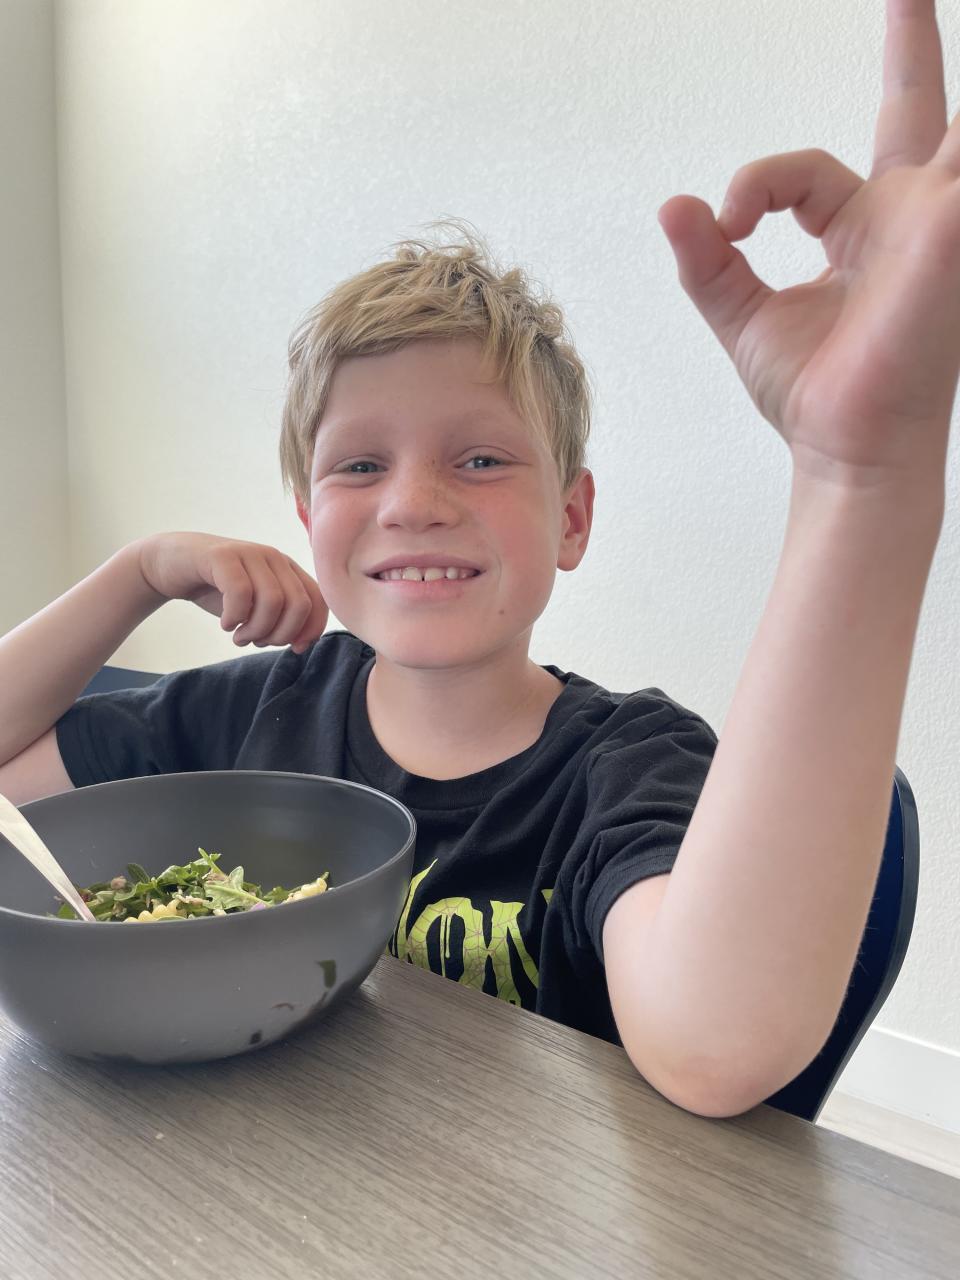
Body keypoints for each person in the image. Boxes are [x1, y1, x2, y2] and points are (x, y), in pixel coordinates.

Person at [1, 0, 957, 1117]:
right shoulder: (254, 717)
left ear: (572, 519)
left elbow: (716, 1045)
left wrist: (864, 477)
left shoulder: (628, 766)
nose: (414, 502)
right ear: (307, 520)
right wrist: (141, 570)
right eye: (359, 466)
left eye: (484, 457)